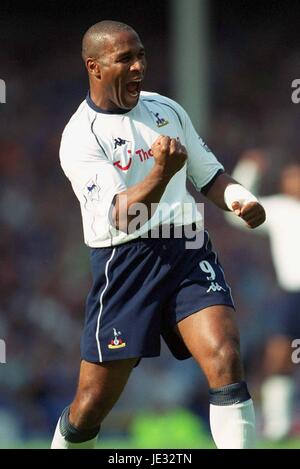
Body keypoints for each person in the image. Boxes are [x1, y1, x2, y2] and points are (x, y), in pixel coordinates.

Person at [51, 20, 265, 449]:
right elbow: (123, 218)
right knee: (91, 404)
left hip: (187, 243)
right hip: (125, 260)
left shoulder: (167, 110)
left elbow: (209, 176)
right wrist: (162, 171)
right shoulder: (80, 138)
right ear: (94, 67)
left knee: (225, 354)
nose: (138, 67)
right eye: (124, 58)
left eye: (141, 55)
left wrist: (241, 198)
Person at [225, 150, 300, 441]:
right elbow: (235, 214)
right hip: (291, 294)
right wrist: (248, 171)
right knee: (279, 356)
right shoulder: (278, 209)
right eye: (290, 177)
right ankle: (279, 424)